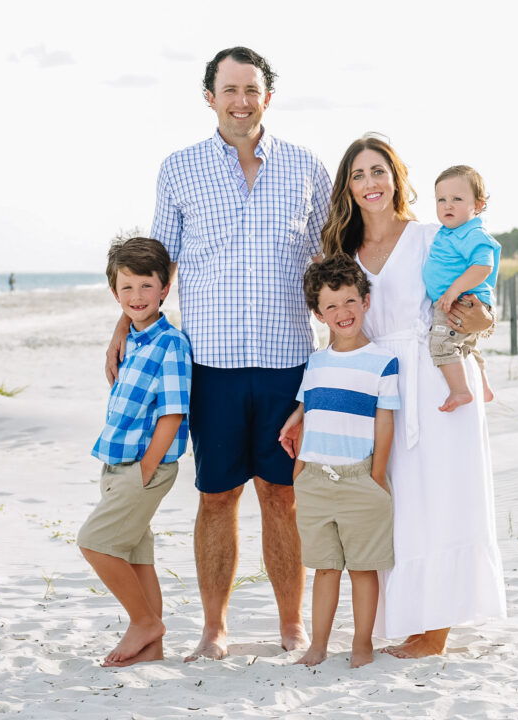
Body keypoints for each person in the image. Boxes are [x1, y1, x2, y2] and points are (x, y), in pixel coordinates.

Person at [105, 46, 331, 661]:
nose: (241, 100)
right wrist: (123, 323)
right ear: (210, 96)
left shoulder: (307, 168)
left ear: (267, 96)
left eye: (251, 89)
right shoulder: (179, 169)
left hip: (288, 360)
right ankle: (215, 629)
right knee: (217, 496)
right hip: (211, 365)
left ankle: (292, 625)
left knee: (281, 496)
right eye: (229, 89)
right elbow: (155, 263)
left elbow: (326, 263)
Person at [317, 135, 506, 657]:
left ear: (395, 177)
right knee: (397, 505)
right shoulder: (344, 253)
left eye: (378, 171)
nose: (370, 183)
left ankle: (436, 631)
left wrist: (479, 319)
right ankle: (412, 620)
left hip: (436, 377)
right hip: (380, 384)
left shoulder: (431, 236)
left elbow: (480, 303)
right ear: (348, 188)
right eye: (358, 175)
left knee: (441, 499)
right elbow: (338, 329)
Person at [278, 255, 399, 668]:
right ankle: (318, 647)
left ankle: (362, 645)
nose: (342, 313)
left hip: (359, 480)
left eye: (350, 301)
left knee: (363, 570)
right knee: (324, 569)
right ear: (318, 314)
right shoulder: (315, 362)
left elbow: (385, 423)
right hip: (313, 480)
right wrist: (300, 471)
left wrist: (377, 476)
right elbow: (309, 412)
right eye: (330, 306)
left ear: (365, 301)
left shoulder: (383, 362)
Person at [80, 237, 191, 667]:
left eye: (146, 286)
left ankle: (145, 623)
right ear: (115, 294)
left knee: (95, 543)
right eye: (127, 288)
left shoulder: (171, 344)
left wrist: (146, 470)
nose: (137, 296)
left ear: (164, 288)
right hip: (116, 461)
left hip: (144, 467)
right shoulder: (131, 340)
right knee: (136, 554)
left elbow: (172, 414)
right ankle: (152, 649)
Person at [423, 165, 501, 411]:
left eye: (457, 199)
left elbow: (482, 266)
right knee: (466, 345)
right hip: (457, 299)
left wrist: (453, 291)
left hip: (462, 301)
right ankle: (484, 386)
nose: (448, 205)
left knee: (442, 344)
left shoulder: (473, 232)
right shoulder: (449, 232)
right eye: (441, 199)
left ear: (477, 206)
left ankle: (460, 390)